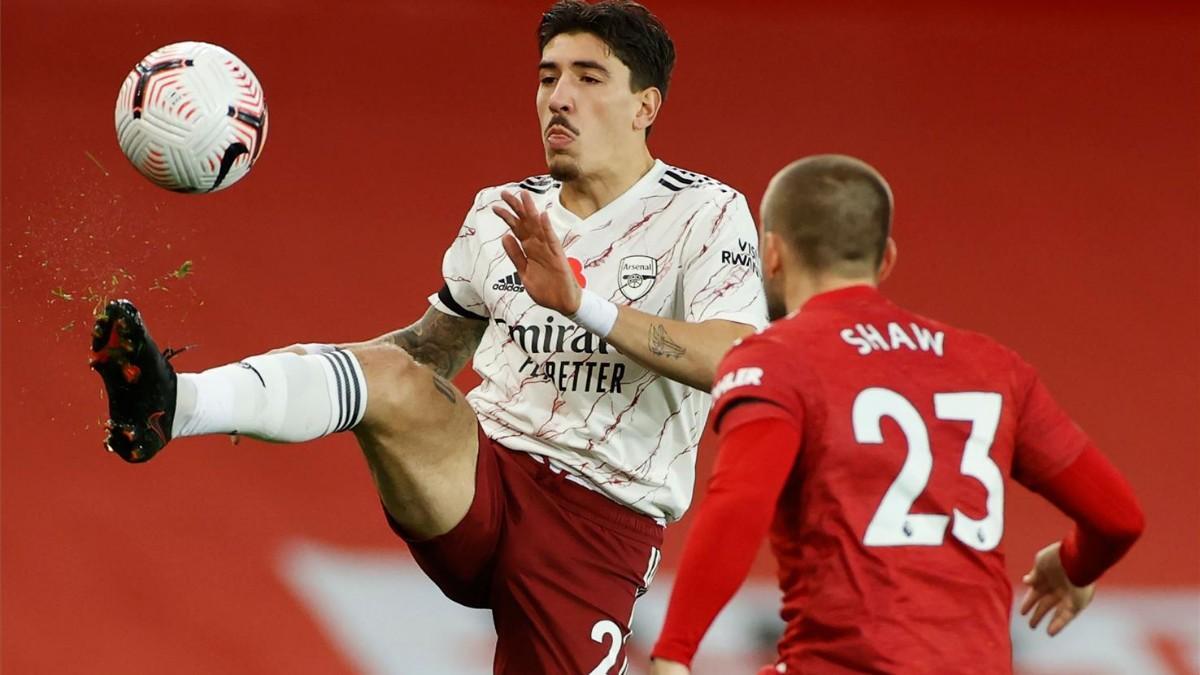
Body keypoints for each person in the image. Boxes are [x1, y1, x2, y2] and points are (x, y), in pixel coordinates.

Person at [89, 1, 767, 673]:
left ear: (644, 106)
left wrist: (581, 304)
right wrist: (320, 369)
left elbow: (735, 357)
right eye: (547, 76)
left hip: (598, 523)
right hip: (481, 479)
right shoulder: (501, 211)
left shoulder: (704, 212)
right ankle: (174, 405)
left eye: (588, 78)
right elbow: (431, 351)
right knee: (387, 376)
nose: (558, 98)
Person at [647, 155, 1145, 675]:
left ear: (770, 254)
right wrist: (1073, 565)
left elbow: (740, 502)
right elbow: (1119, 518)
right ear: (885, 260)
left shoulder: (778, 358)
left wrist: (674, 652)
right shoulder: (992, 367)